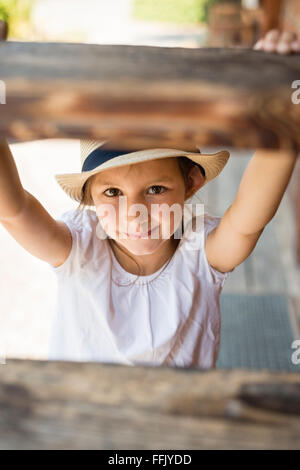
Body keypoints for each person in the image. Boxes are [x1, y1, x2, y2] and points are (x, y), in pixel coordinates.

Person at [0, 30, 298, 369]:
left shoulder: (202, 254)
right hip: (79, 417)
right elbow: (15, 211)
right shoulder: (79, 248)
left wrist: (287, 104)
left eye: (156, 189)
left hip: (178, 419)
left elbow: (249, 219)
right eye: (112, 193)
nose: (134, 214)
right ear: (90, 199)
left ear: (191, 183)